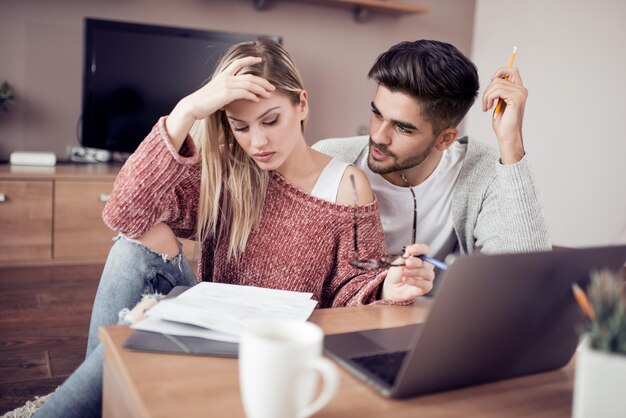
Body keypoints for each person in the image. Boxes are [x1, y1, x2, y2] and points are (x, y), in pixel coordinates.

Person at [33, 39, 434, 418]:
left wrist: (387, 288)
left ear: (302, 105)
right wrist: (185, 112)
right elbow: (125, 215)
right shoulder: (224, 168)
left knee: (124, 339)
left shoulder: (346, 185)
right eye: (240, 127)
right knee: (135, 241)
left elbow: (352, 288)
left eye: (271, 120)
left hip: (274, 350)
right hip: (210, 328)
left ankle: (94, 396)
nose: (258, 141)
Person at [314, 40, 551, 265]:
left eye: (402, 128)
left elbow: (528, 274)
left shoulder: (482, 171)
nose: (377, 136)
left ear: (445, 139)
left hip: (437, 309)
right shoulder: (327, 160)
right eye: (377, 114)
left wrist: (511, 142)